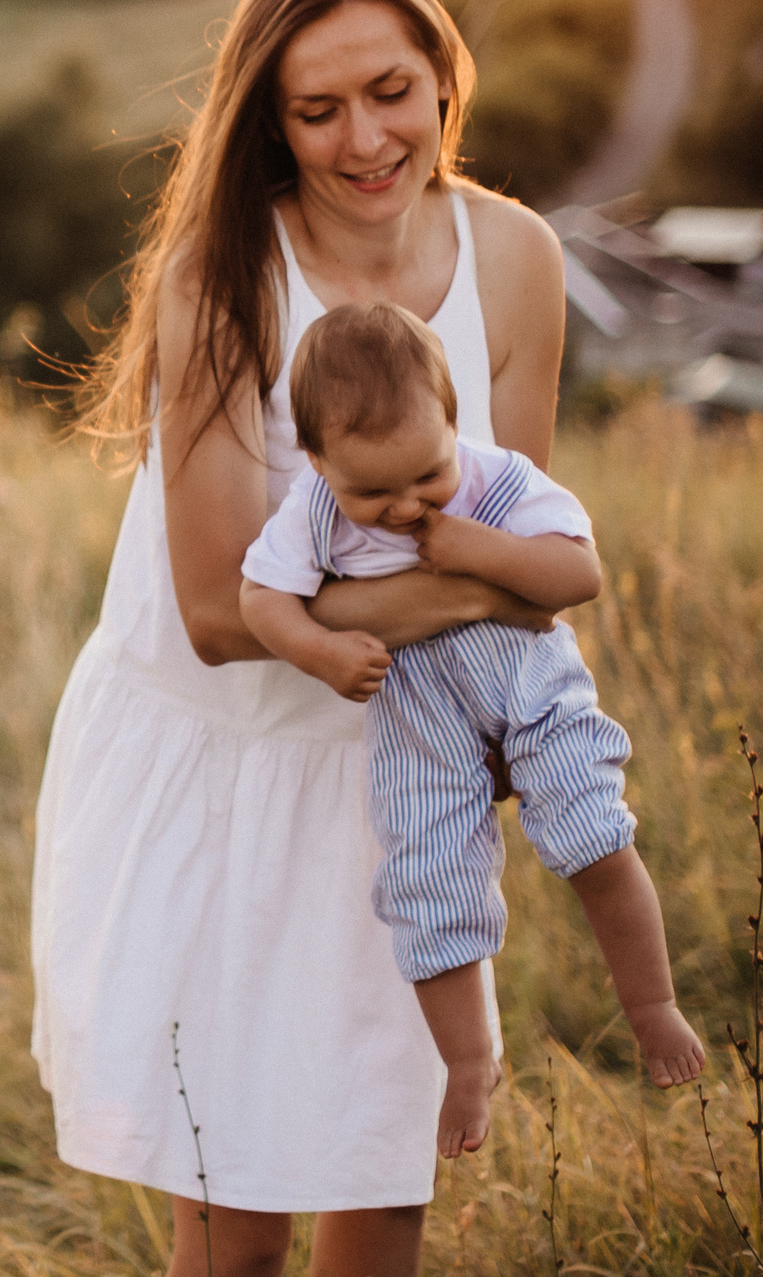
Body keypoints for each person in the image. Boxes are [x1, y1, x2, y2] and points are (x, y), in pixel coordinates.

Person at [33, 0, 574, 1277]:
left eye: (390, 91)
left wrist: (486, 623)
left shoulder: (516, 258)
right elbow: (221, 615)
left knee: (383, 1195)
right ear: (270, 123)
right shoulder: (225, 278)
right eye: (317, 109)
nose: (363, 138)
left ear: (443, 79)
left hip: (401, 773)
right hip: (225, 776)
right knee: (238, 1237)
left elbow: (523, 547)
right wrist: (482, 588)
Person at [237, 302, 706, 1158]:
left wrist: (474, 547)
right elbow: (259, 599)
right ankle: (467, 1058)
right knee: (429, 880)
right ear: (316, 461)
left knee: (595, 838)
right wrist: (318, 652)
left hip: (529, 680)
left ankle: (652, 1006)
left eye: (426, 475)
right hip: (416, 710)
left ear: (455, 426)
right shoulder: (314, 511)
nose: (404, 507)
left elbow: (579, 572)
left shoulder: (500, 482)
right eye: (370, 491)